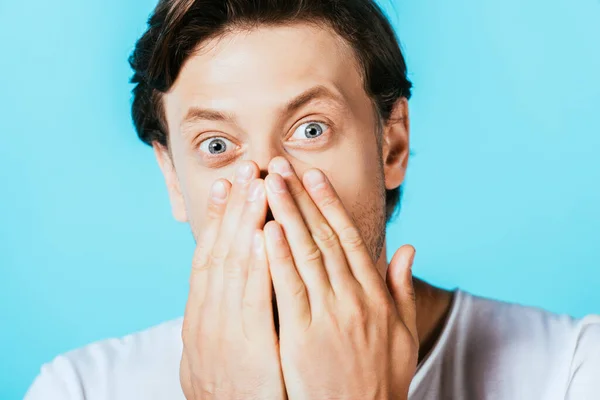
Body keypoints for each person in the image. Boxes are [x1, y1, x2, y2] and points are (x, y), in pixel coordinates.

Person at [25, 0, 600, 399]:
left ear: (391, 143)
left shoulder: (576, 370)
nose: (271, 183)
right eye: (218, 144)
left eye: (310, 130)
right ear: (175, 178)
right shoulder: (78, 389)